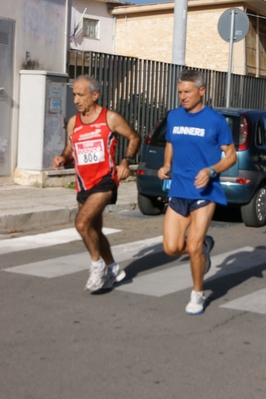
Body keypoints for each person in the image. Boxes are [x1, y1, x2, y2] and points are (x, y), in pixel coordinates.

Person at [158, 70, 237, 315]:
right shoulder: (173, 116)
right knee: (171, 248)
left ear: (201, 91)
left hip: (204, 192)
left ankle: (197, 294)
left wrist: (212, 170)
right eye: (180, 92)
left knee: (192, 245)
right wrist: (167, 165)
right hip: (179, 190)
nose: (183, 96)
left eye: (187, 91)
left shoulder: (215, 121)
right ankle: (203, 252)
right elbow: (170, 143)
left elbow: (231, 155)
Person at [53, 75, 140, 292]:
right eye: (74, 94)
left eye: (80, 95)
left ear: (95, 95)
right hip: (83, 185)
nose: (76, 100)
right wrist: (63, 158)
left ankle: (97, 265)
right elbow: (70, 150)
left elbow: (134, 137)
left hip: (105, 182)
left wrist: (126, 161)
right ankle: (113, 268)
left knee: (81, 223)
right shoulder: (74, 122)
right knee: (94, 231)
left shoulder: (109, 118)